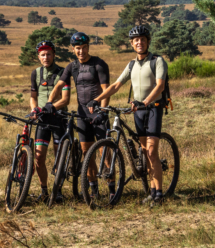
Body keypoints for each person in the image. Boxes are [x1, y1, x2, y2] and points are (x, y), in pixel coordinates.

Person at [86, 25, 168, 205]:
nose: (140, 42)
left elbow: (160, 86)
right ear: (132, 43)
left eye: (143, 39)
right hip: (138, 111)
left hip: (153, 108)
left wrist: (145, 102)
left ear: (148, 41)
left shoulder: (157, 61)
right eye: (136, 40)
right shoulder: (131, 65)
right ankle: (152, 191)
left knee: (152, 151)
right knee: (146, 153)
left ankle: (159, 195)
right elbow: (115, 85)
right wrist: (97, 100)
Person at [48, 32, 112, 198]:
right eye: (78, 48)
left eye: (84, 48)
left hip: (98, 114)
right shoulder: (72, 67)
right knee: (87, 153)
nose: (81, 51)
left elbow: (106, 91)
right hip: (82, 115)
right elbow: (58, 85)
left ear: (88, 47)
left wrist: (103, 112)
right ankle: (94, 191)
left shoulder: (99, 64)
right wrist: (49, 103)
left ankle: (112, 189)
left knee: (104, 152)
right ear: (73, 49)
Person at [29, 40, 70, 203]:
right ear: (39, 57)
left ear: (54, 55)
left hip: (59, 118)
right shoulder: (35, 73)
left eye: (48, 54)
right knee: (39, 158)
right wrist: (34, 109)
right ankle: (44, 191)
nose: (46, 57)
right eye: (42, 54)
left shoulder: (62, 72)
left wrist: (50, 107)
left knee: (59, 156)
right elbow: (33, 97)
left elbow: (66, 99)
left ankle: (58, 191)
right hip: (42, 119)